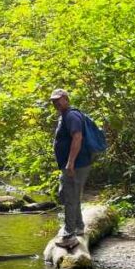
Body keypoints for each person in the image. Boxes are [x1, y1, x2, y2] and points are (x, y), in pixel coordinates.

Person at [50, 88, 91, 249]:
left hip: (76, 164)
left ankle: (69, 235)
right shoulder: (65, 115)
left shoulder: (72, 115)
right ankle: (79, 227)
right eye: (53, 101)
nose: (56, 103)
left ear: (66, 99)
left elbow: (77, 137)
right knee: (71, 195)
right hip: (75, 164)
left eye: (58, 100)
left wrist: (70, 162)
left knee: (69, 197)